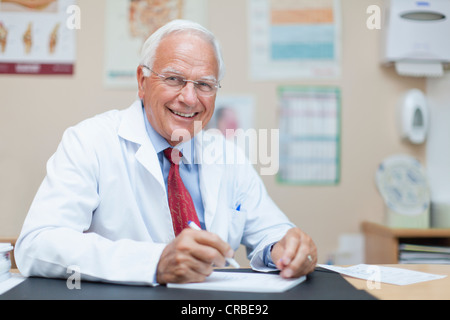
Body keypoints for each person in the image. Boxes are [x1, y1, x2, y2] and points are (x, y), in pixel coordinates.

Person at [15, 20, 317, 285]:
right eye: (174, 79)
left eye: (204, 84)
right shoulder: (90, 142)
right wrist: (154, 262)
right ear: (142, 82)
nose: (189, 98)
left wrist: (287, 248)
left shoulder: (227, 155)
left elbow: (271, 232)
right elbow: (37, 244)